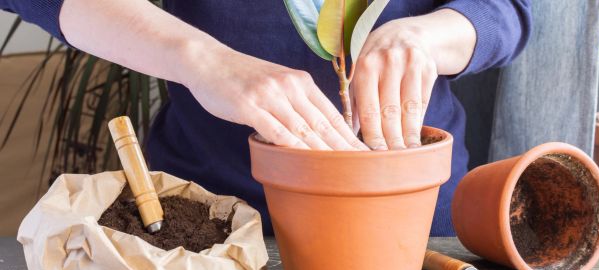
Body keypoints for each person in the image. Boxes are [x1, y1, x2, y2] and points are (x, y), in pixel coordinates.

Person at [1, 0, 531, 236]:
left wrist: (428, 34)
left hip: (422, 233)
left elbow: (508, 7)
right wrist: (202, 59)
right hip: (207, 229)